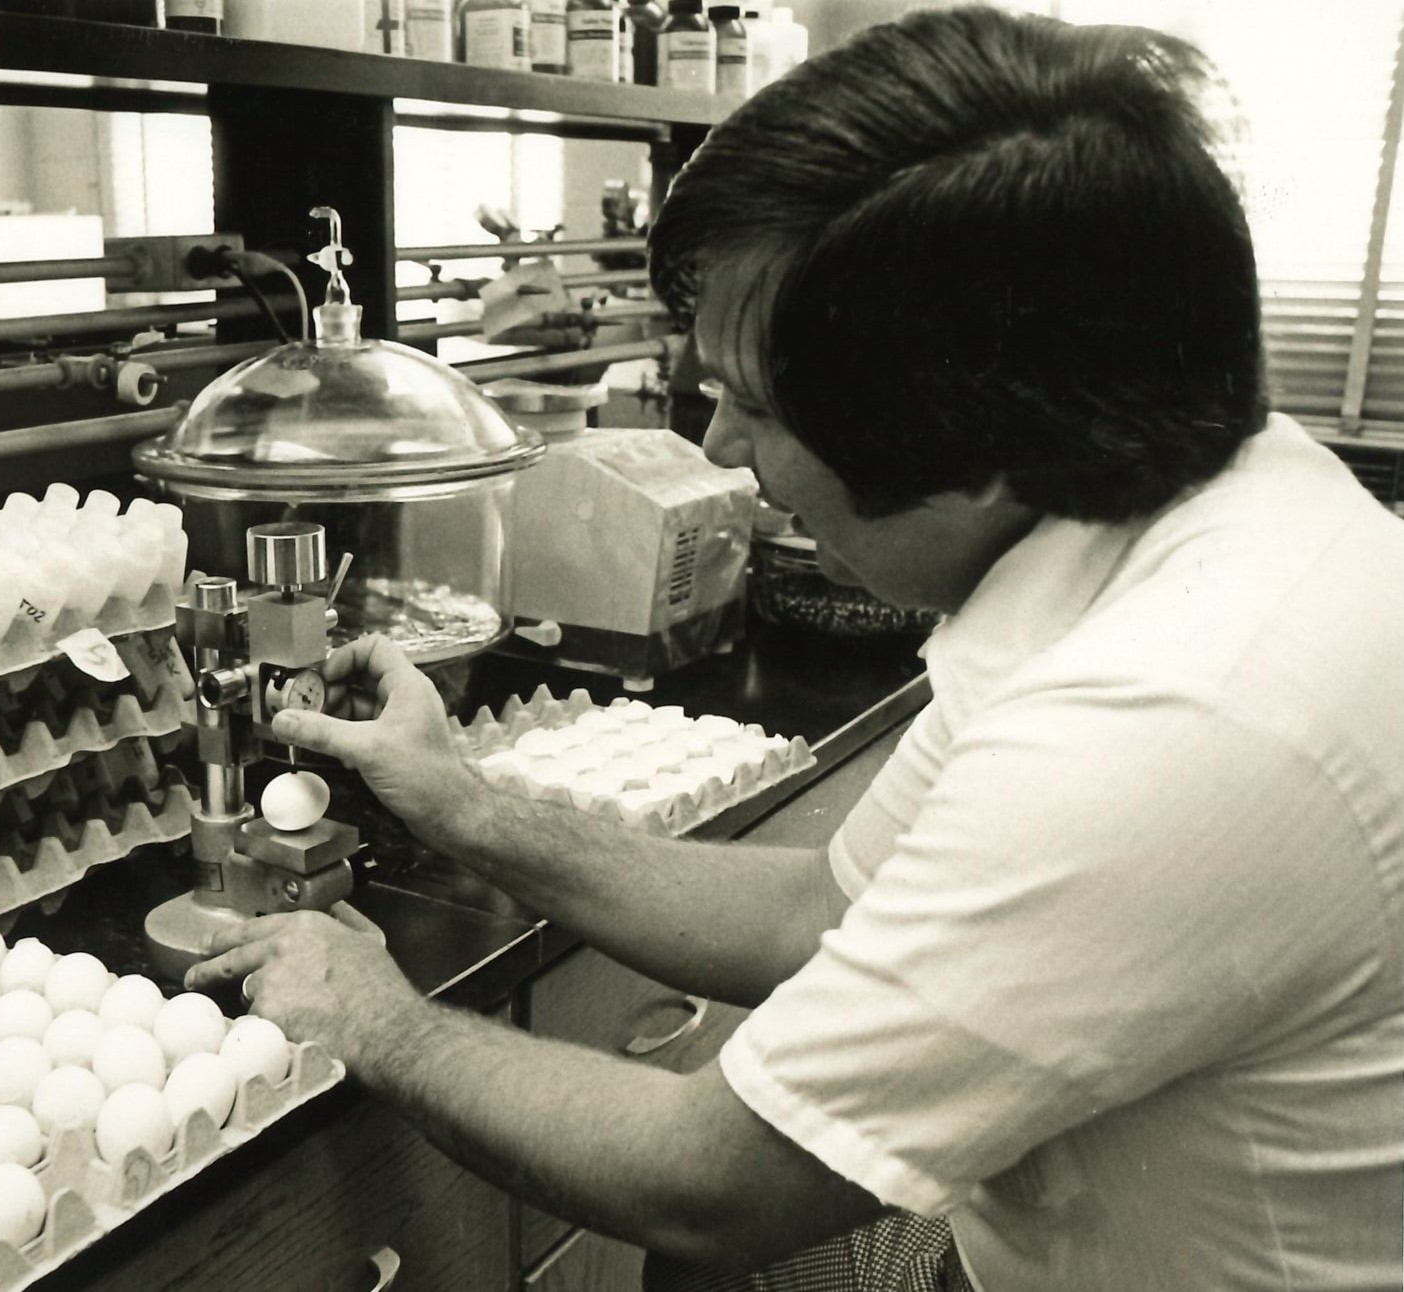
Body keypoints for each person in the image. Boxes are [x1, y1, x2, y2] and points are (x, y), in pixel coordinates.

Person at [184, 7, 1404, 1289]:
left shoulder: (1168, 726)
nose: (716, 450)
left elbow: (710, 1178)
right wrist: (467, 809)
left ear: (981, 438)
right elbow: (824, 908)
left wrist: (375, 1016)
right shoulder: (1186, 510)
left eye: (754, 406)